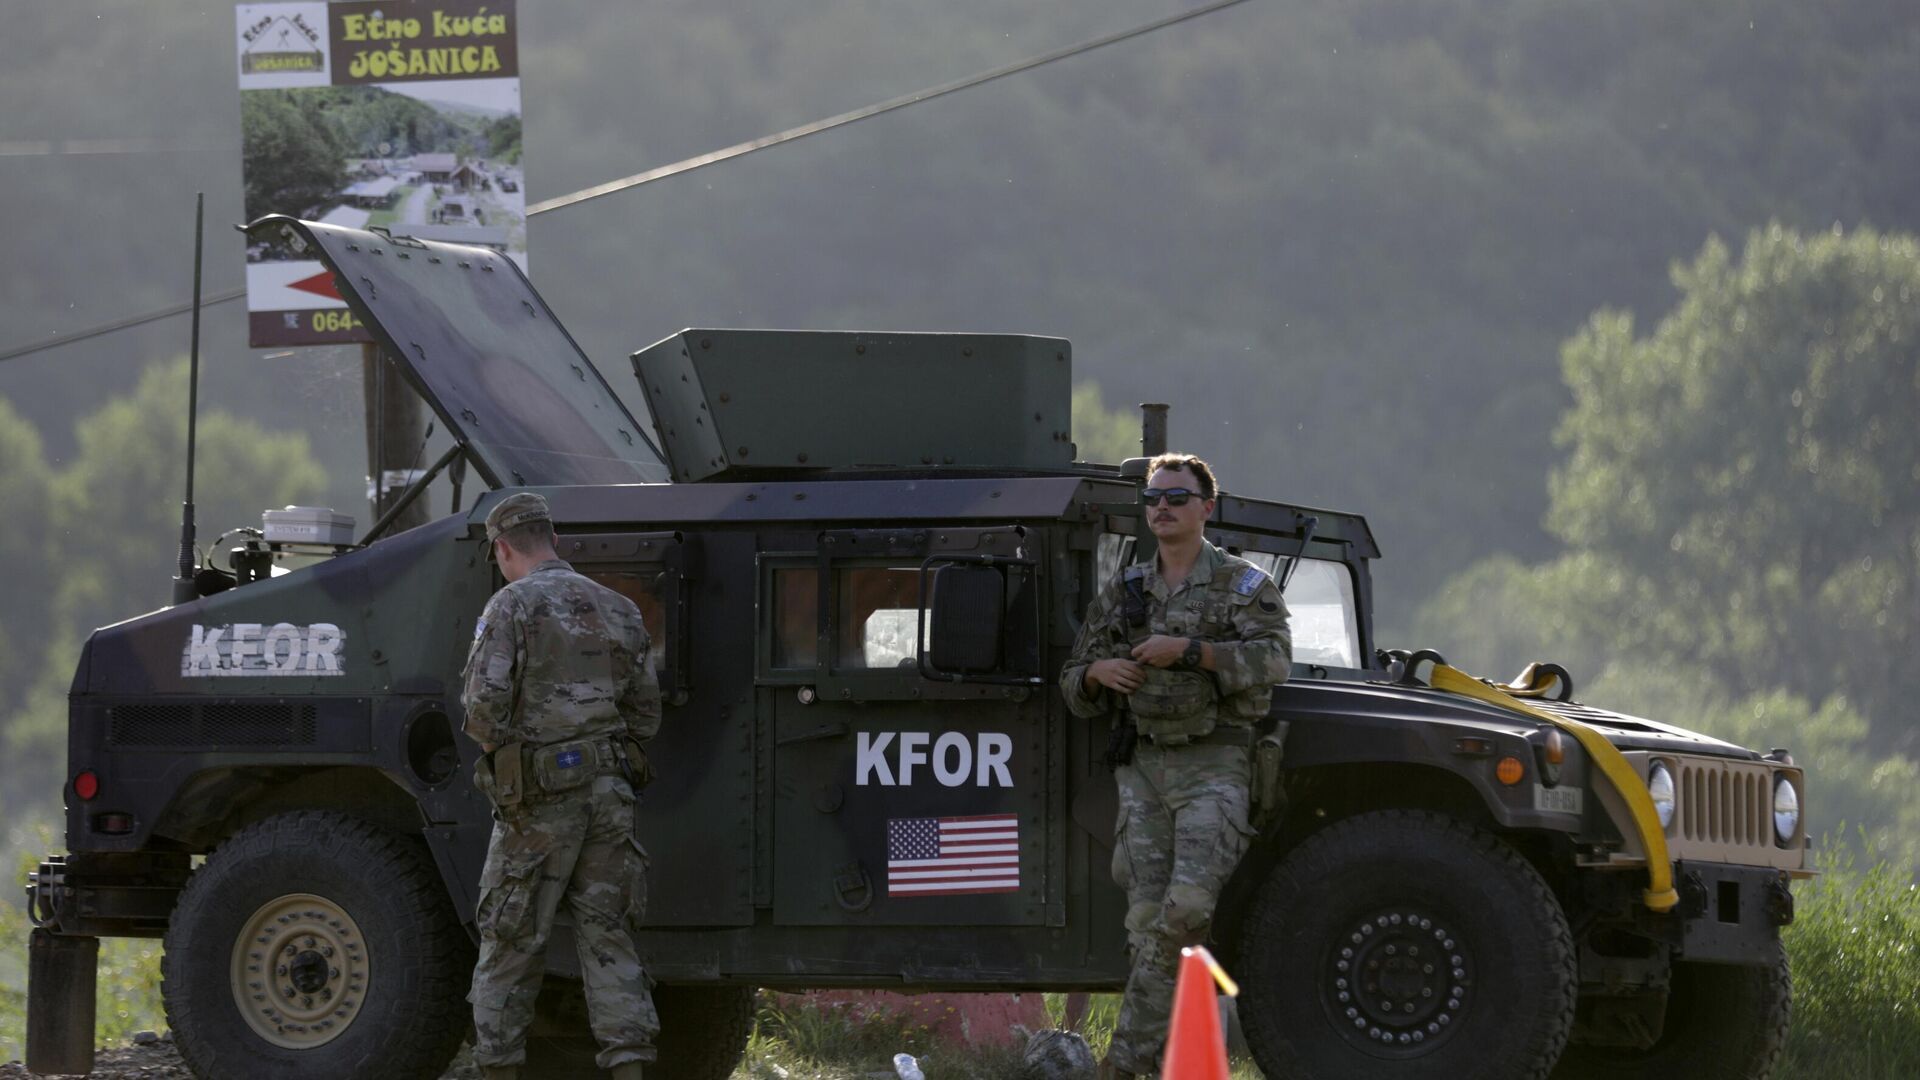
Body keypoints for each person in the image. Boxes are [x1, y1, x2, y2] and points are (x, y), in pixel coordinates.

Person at [1059, 454, 1293, 1079]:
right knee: (1146, 924)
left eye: (1177, 497)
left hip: (1215, 763)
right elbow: (1072, 678)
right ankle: (1168, 1061)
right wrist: (1098, 673)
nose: (1162, 507)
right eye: (1153, 498)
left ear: (1206, 508)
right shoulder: (1127, 589)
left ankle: (1123, 1062)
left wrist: (1190, 651)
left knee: (1186, 910)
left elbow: (1274, 660)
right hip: (1143, 768)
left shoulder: (1242, 585)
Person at [462, 492, 662, 1080]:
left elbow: (482, 710)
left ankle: (498, 1067)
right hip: (610, 796)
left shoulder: (510, 605)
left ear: (503, 549)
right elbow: (645, 716)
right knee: (610, 938)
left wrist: (512, 760)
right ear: (553, 540)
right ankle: (629, 1067)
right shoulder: (620, 608)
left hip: (539, 806)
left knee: (511, 939)